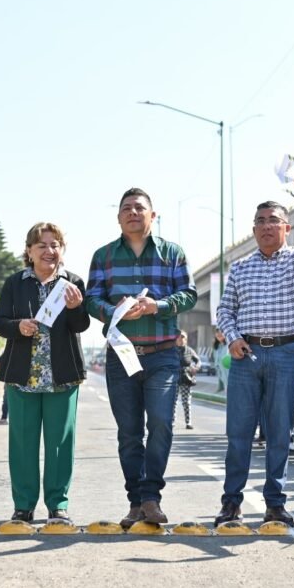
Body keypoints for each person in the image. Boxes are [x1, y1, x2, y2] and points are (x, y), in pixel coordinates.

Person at [214, 168, 294, 527]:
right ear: (253, 229)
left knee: (280, 431)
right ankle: (231, 501)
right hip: (246, 355)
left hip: (286, 353)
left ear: (286, 227)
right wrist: (231, 336)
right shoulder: (240, 267)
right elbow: (224, 309)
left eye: (274, 220)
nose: (266, 226)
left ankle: (275, 502)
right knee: (239, 433)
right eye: (260, 221)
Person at [85, 187, 197, 528]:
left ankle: (151, 496)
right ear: (118, 217)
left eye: (139, 208)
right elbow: (92, 299)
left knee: (161, 423)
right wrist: (113, 311)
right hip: (121, 355)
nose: (133, 212)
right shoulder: (103, 256)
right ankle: (136, 501)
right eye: (126, 209)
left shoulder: (172, 253)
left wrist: (158, 306)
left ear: (153, 215)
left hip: (163, 354)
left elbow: (189, 294)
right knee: (129, 432)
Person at [0, 222, 89, 523]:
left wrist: (75, 308)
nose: (49, 251)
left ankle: (57, 505)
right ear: (29, 251)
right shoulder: (15, 283)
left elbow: (81, 326)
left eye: (55, 245)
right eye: (42, 246)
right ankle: (23, 505)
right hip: (24, 376)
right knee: (23, 443)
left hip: (62, 376)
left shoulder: (72, 282)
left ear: (62, 250)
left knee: (60, 443)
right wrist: (18, 326)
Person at [175, 330, 200, 430]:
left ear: (186, 339)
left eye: (183, 337)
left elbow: (198, 361)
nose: (181, 339)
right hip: (174, 378)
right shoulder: (172, 350)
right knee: (173, 402)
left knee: (186, 402)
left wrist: (196, 368)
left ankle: (188, 422)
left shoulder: (189, 350)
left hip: (186, 378)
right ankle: (172, 421)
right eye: (179, 337)